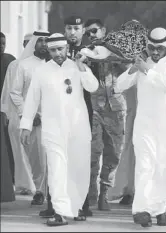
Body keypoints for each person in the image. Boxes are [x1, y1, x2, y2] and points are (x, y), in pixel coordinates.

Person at [20, 33, 99, 226]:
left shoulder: (77, 66)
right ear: (48, 50)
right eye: (53, 50)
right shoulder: (42, 71)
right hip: (53, 128)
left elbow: (93, 87)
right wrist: (25, 126)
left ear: (66, 48)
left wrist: (83, 69)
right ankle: (60, 212)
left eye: (60, 49)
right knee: (57, 169)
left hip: (78, 128)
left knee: (78, 168)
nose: (57, 53)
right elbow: (31, 100)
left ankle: (77, 206)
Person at [114, 27, 166, 227]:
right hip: (144, 125)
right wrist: (133, 69)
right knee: (145, 167)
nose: (155, 52)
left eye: (159, 49)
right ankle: (141, 210)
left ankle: (160, 208)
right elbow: (119, 86)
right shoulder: (142, 64)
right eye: (151, 48)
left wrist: (147, 69)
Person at [39, 15, 93, 219]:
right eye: (69, 28)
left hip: (82, 112)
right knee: (57, 164)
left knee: (80, 162)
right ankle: (56, 207)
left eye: (76, 28)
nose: (72, 32)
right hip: (55, 116)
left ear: (82, 31)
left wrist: (82, 65)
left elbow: (94, 85)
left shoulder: (90, 52)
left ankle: (81, 205)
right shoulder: (50, 59)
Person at [84, 18, 128, 211]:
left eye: (94, 31)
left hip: (115, 108)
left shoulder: (116, 49)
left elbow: (129, 67)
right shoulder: (86, 52)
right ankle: (90, 194)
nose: (91, 36)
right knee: (93, 153)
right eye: (88, 33)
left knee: (114, 154)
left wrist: (110, 52)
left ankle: (105, 193)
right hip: (93, 108)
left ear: (103, 30)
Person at [10, 31, 51, 205]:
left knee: (53, 157)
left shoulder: (57, 64)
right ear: (33, 43)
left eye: (46, 41)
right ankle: (40, 190)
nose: (43, 44)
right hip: (34, 120)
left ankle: (49, 192)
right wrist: (27, 114)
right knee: (38, 159)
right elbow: (15, 93)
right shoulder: (24, 65)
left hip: (55, 118)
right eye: (39, 40)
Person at [1, 33, 35, 195]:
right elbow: (10, 91)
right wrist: (6, 112)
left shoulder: (11, 60)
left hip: (34, 115)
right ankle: (23, 183)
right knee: (16, 151)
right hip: (15, 113)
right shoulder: (15, 64)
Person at [0, 32, 16, 186]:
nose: (1, 46)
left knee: (8, 146)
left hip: (6, 110)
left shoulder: (10, 60)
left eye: (3, 43)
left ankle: (11, 178)